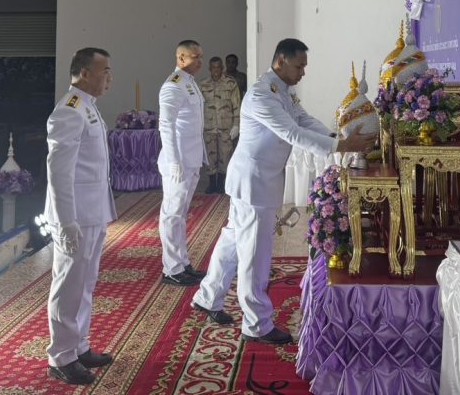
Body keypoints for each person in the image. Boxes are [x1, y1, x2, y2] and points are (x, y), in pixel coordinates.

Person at [192, 39, 376, 343]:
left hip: (255, 179)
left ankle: (208, 296)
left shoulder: (282, 90)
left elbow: (302, 119)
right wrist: (341, 146)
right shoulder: (261, 94)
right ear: (280, 61)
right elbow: (291, 133)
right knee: (255, 254)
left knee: (233, 239)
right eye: (299, 66)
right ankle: (256, 324)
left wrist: (335, 136)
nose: (303, 72)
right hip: (254, 182)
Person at [44, 47, 117, 386]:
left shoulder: (88, 106)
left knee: (86, 282)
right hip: (75, 215)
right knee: (68, 284)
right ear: (85, 73)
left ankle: (79, 345)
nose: (109, 78)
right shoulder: (69, 110)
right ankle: (61, 356)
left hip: (92, 211)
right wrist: (65, 221)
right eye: (104, 71)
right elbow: (59, 172)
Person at [158, 40, 208, 286]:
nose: (200, 61)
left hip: (191, 158)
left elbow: (194, 125)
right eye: (194, 57)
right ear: (180, 58)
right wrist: (174, 161)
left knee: (180, 215)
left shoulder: (190, 82)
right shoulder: (173, 85)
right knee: (172, 214)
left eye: (200, 56)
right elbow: (166, 125)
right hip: (177, 161)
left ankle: (182, 263)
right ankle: (171, 269)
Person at [199, 56, 241, 194]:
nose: (216, 70)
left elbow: (236, 105)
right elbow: (198, 107)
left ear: (222, 68)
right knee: (210, 156)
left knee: (225, 155)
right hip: (208, 127)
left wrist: (236, 125)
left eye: (218, 67)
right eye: (213, 67)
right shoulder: (203, 84)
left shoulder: (230, 83)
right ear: (209, 68)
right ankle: (212, 184)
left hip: (226, 127)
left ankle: (222, 184)